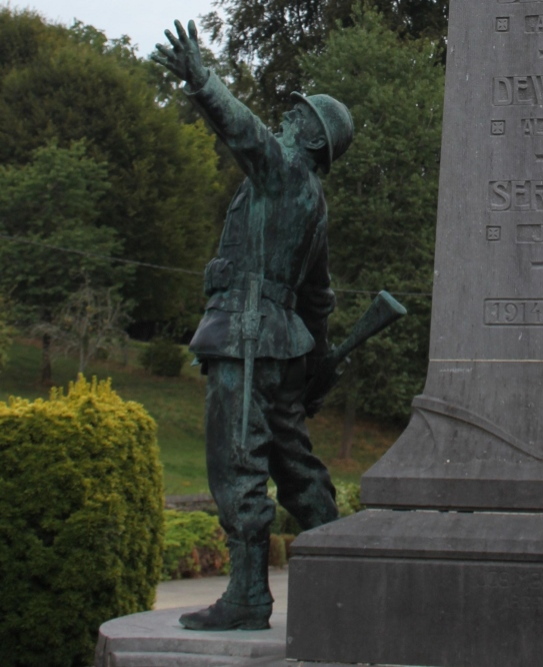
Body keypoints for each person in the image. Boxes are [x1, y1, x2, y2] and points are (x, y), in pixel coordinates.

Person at [153, 20, 354, 631]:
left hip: (245, 339)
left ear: (311, 139)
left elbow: (245, 133)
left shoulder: (286, 173)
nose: (285, 121)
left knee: (237, 461)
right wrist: (315, 366)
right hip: (280, 348)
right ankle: (350, 571)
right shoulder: (312, 203)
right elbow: (318, 301)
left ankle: (245, 596)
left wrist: (202, 79)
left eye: (296, 119)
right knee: (294, 465)